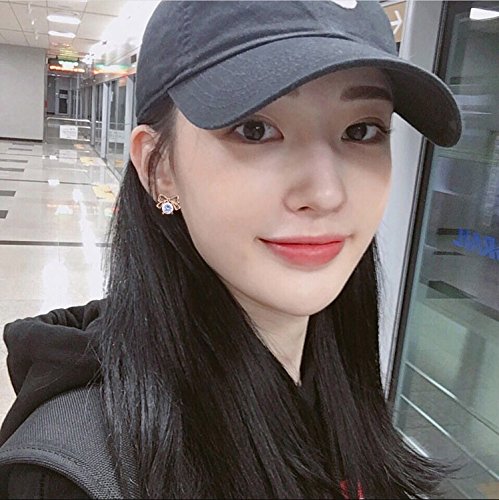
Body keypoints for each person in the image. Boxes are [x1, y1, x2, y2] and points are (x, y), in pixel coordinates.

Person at [0, 1, 461, 499]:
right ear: (159, 168)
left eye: (361, 130)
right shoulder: (72, 475)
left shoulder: (339, 376)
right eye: (255, 130)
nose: (327, 193)